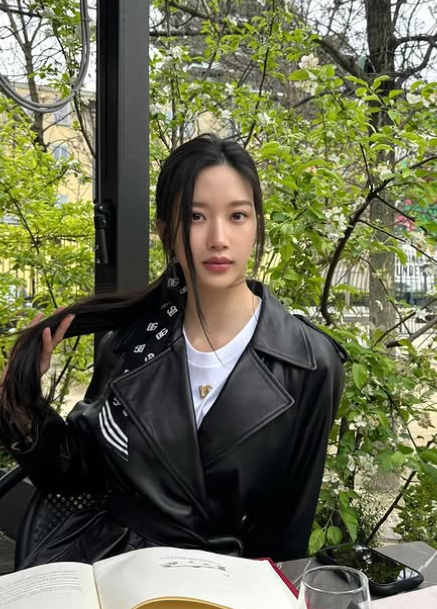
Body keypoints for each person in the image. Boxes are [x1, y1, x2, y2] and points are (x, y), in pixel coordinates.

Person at [0, 134, 346, 569]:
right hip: (111, 564)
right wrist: (19, 398)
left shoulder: (310, 362)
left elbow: (290, 527)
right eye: (195, 217)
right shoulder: (133, 340)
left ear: (257, 224)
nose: (218, 238)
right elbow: (78, 469)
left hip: (226, 580)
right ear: (166, 230)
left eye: (237, 215)